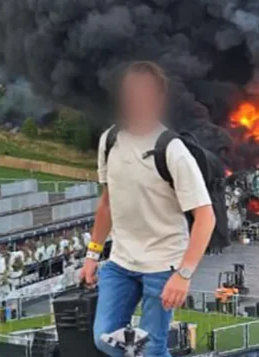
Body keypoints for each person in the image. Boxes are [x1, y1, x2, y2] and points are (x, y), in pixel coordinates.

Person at [81, 61, 217, 357]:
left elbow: (205, 216)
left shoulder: (172, 150)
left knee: (152, 348)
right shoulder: (110, 141)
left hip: (163, 265)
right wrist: (93, 254)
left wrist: (183, 274)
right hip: (121, 263)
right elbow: (108, 203)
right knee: (104, 338)